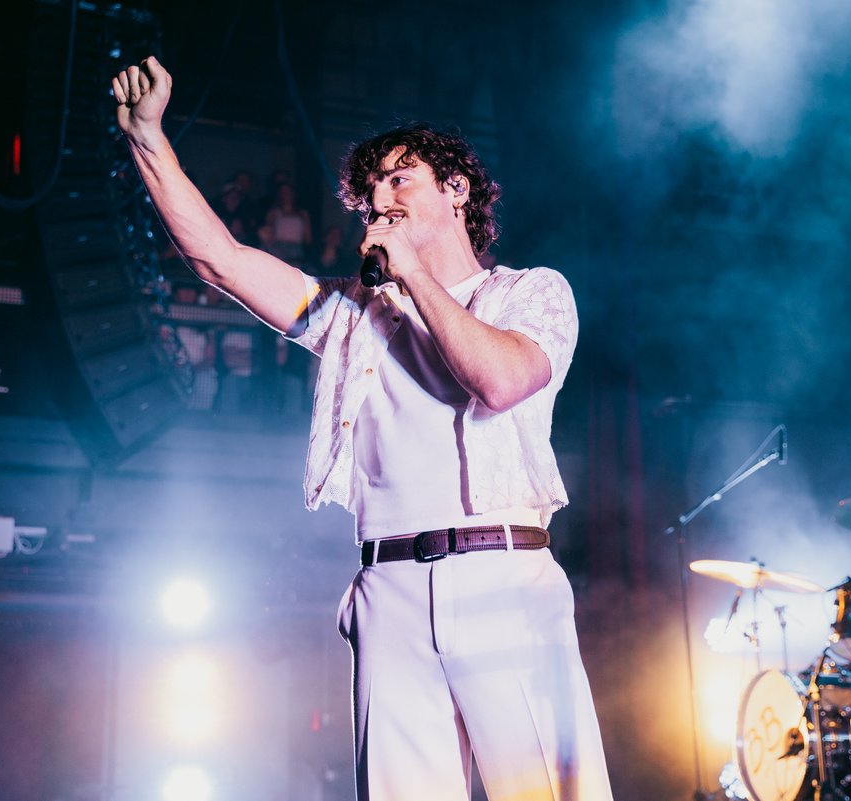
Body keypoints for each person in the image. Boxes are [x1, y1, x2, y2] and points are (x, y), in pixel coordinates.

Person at [112, 57, 614, 801]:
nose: (379, 198)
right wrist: (148, 139)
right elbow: (218, 261)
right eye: (370, 188)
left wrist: (411, 274)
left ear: (456, 189)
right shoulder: (351, 316)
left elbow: (501, 381)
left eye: (399, 178)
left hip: (501, 575)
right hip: (389, 586)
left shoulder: (529, 293)